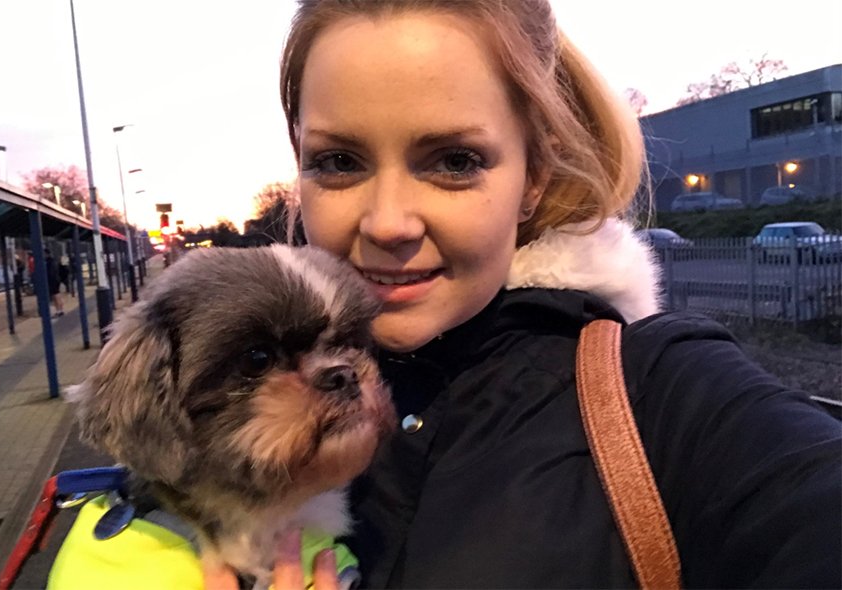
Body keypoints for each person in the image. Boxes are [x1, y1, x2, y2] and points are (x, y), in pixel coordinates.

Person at [51, 1, 841, 588]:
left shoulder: (665, 394)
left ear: (534, 176)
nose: (389, 222)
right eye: (339, 162)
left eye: (455, 161)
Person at [44, 248, 64, 318]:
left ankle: (60, 310)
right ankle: (59, 310)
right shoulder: (52, 261)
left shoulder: (49, 262)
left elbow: (51, 272)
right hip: (55, 280)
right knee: (56, 296)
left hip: (53, 281)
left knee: (56, 296)